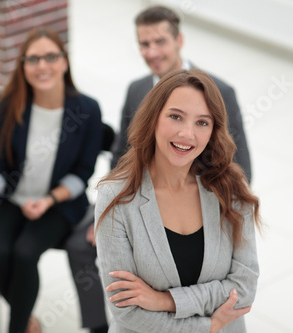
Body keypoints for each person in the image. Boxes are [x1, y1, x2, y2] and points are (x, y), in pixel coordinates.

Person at [0, 27, 103, 333]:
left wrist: (49, 200)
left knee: (24, 254)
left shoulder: (87, 110)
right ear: (23, 66)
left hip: (60, 202)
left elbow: (83, 173)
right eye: (33, 59)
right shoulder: (12, 104)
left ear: (64, 62)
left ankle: (17, 328)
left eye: (51, 56)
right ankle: (27, 321)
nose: (42, 66)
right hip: (11, 197)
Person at [95, 69, 261, 332]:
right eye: (176, 117)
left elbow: (244, 288)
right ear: (153, 119)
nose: (187, 134)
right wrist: (208, 325)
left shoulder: (231, 188)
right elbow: (126, 311)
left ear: (213, 131)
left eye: (202, 122)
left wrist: (165, 300)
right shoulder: (115, 198)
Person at [112, 5, 252, 183]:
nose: (152, 52)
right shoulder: (136, 90)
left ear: (179, 40)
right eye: (145, 44)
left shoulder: (220, 92)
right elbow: (121, 154)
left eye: (160, 42)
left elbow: (241, 168)